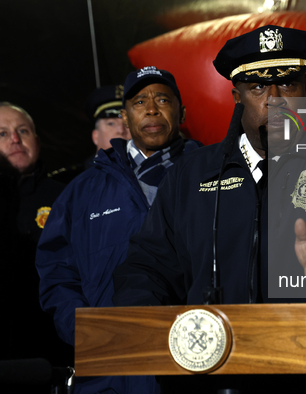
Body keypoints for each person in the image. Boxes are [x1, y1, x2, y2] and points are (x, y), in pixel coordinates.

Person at [112, 25, 306, 393]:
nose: (274, 99)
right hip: (210, 382)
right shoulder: (190, 177)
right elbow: (148, 266)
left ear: (305, 89)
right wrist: (144, 324)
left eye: (287, 84)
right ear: (236, 94)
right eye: (257, 87)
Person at [36, 66, 201, 394]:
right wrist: (86, 330)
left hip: (196, 364)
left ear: (181, 112)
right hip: (109, 372)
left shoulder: (214, 176)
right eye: (139, 102)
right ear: (125, 118)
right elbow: (56, 273)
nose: (151, 109)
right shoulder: (83, 190)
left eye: (163, 99)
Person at [0, 102, 71, 392]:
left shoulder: (70, 195)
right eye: (2, 134)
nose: (16, 139)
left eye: (23, 131)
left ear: (37, 141)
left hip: (53, 348)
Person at [48, 85, 131, 182]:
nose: (121, 130)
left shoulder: (151, 177)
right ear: (95, 136)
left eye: (127, 123)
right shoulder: (67, 181)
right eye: (111, 123)